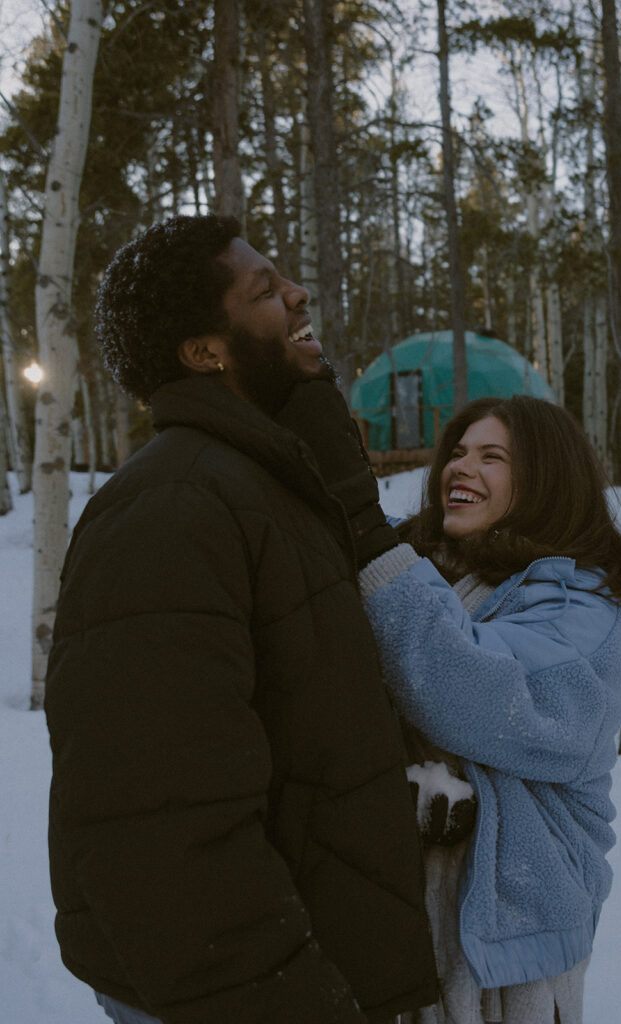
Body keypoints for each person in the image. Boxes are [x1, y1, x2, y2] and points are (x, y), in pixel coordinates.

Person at [44, 214, 438, 1024]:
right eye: (264, 290)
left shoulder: (268, 488)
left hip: (300, 956)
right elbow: (160, 821)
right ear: (205, 351)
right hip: (236, 990)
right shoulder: (171, 505)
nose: (296, 294)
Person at [277, 387, 621, 1024]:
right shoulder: (427, 573)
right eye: (458, 451)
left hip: (508, 964)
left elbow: (476, 692)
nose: (461, 466)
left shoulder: (587, 606)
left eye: (493, 456)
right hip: (393, 933)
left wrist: (372, 545)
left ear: (547, 480)